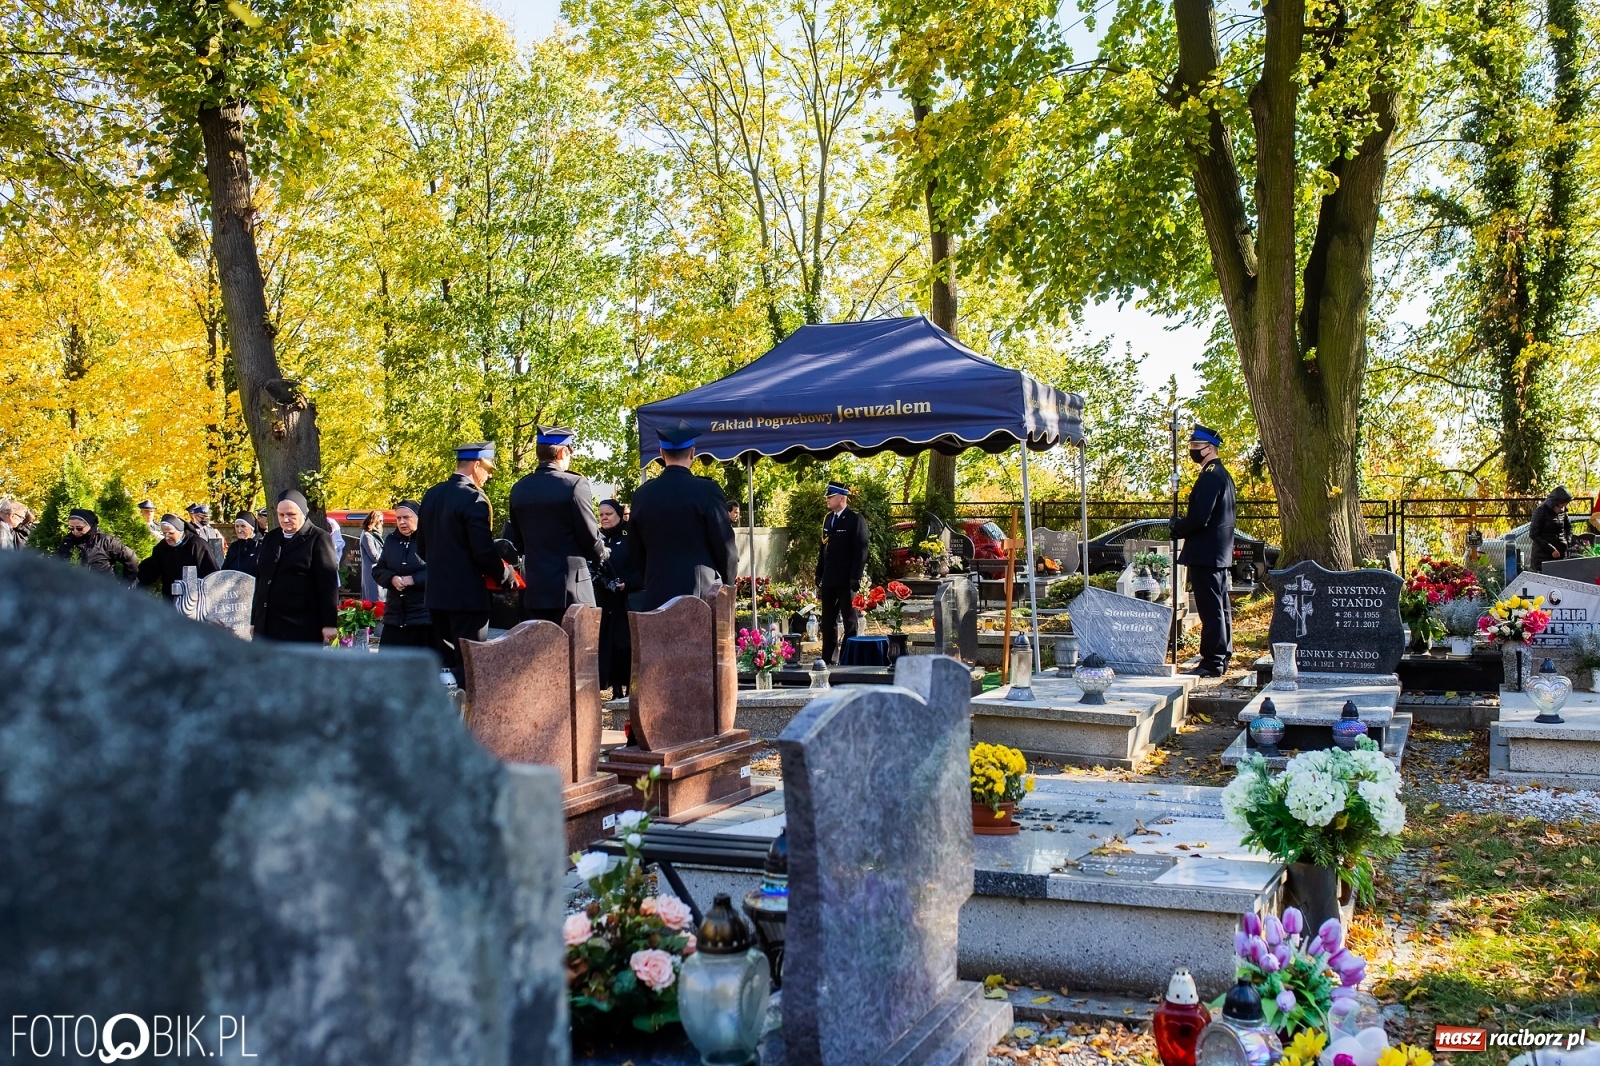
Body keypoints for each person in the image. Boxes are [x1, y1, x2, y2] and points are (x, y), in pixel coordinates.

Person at [417, 442, 516, 683]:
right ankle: (467, 719)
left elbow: (421, 547)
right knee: (470, 666)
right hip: (467, 598)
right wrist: (506, 574)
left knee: (446, 666)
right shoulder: (473, 498)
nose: (489, 476)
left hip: (437, 595)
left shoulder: (432, 494)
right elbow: (482, 551)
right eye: (488, 470)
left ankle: (445, 715)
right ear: (476, 465)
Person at [628, 420, 739, 611]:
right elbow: (726, 547)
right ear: (693, 453)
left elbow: (635, 549)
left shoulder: (642, 495)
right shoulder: (707, 491)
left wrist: (650, 577)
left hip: (657, 591)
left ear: (661, 454)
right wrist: (727, 586)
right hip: (699, 593)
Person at [505, 426, 606, 623]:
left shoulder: (519, 489)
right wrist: (602, 553)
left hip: (535, 589)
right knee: (579, 652)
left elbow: (518, 540)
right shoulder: (575, 484)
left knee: (542, 652)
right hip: (571, 591)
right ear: (562, 452)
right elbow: (589, 536)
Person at [1171, 424, 1237, 678]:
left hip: (1206, 553)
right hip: (1216, 553)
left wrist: (1178, 527)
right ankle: (1221, 654)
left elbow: (1200, 517)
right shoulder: (1223, 475)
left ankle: (1212, 661)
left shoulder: (1211, 475)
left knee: (1211, 609)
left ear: (1210, 448)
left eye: (1196, 448)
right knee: (1220, 607)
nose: (1193, 452)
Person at [250, 490, 340, 643]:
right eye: (281, 515)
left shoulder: (318, 538)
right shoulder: (271, 538)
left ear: (302, 514)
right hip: (267, 623)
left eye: (291, 515)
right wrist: (254, 619)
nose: (285, 520)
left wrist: (329, 624)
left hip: (300, 625)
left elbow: (328, 584)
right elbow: (262, 579)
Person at [373, 500, 436, 657]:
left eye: (406, 517)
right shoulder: (391, 540)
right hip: (394, 618)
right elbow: (378, 570)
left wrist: (414, 579)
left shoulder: (430, 541)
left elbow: (440, 572)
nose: (402, 522)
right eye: (398, 518)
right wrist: (392, 578)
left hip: (422, 618)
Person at [815, 482, 869, 664]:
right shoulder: (828, 519)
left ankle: (848, 658)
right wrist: (819, 573)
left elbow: (861, 549)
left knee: (849, 622)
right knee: (828, 622)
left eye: (830, 497)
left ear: (842, 497)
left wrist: (856, 575)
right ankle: (828, 659)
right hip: (829, 578)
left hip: (846, 579)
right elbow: (823, 550)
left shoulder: (854, 519)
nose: (827, 500)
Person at [594, 498, 643, 696]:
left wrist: (628, 583)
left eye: (609, 514)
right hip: (606, 601)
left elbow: (641, 566)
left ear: (619, 514)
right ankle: (615, 688)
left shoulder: (631, 535)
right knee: (609, 647)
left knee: (626, 645)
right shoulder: (597, 538)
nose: (604, 518)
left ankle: (631, 687)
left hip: (627, 600)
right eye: (601, 515)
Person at [139, 513, 218, 602]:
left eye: (171, 533)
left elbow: (211, 575)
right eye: (164, 533)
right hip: (170, 601)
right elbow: (151, 570)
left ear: (180, 531)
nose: (167, 537)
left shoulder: (197, 545)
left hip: (196, 602)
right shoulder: (162, 547)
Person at [56, 509, 140, 585]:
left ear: (91, 525)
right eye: (71, 528)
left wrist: (127, 584)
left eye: (79, 528)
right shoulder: (67, 542)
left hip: (104, 593)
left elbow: (131, 558)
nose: (75, 531)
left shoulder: (106, 541)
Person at [1529, 486, 1574, 572]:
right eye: (1562, 503)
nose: (1564, 506)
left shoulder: (1563, 512)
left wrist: (1568, 540)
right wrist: (1551, 549)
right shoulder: (1541, 511)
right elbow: (1533, 534)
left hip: (1560, 554)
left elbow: (1568, 527)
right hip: (1543, 556)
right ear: (1556, 502)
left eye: (1566, 504)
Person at [186, 504, 225, 569]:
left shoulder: (211, 530)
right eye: (203, 516)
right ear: (194, 516)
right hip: (197, 565)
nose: (206, 519)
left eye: (208, 517)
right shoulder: (190, 530)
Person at [359, 510, 385, 602]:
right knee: (374, 601)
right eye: (380, 521)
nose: (382, 523)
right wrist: (387, 558)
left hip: (379, 572)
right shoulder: (367, 535)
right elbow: (374, 556)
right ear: (374, 521)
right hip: (372, 573)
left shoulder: (375, 535)